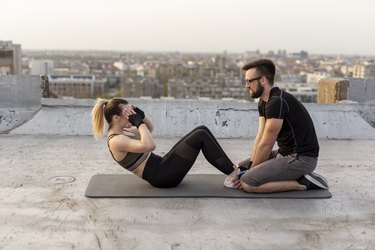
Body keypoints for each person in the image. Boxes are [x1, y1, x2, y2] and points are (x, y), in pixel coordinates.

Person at [225, 59, 328, 193]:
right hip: (284, 154)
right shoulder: (263, 101)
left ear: (262, 80)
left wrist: (248, 174)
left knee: (248, 183)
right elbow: (260, 138)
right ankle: (292, 175)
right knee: (240, 167)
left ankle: (301, 183)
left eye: (249, 81)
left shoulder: (277, 102)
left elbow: (267, 144)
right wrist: (249, 167)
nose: (246, 85)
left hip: (302, 159)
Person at [91, 98, 238, 188]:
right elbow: (149, 145)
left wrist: (141, 116)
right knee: (200, 136)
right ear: (116, 118)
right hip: (162, 177)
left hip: (162, 166)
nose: (131, 116)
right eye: (127, 113)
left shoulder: (124, 133)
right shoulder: (116, 140)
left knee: (202, 129)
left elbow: (149, 129)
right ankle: (234, 176)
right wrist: (137, 122)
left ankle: (232, 169)